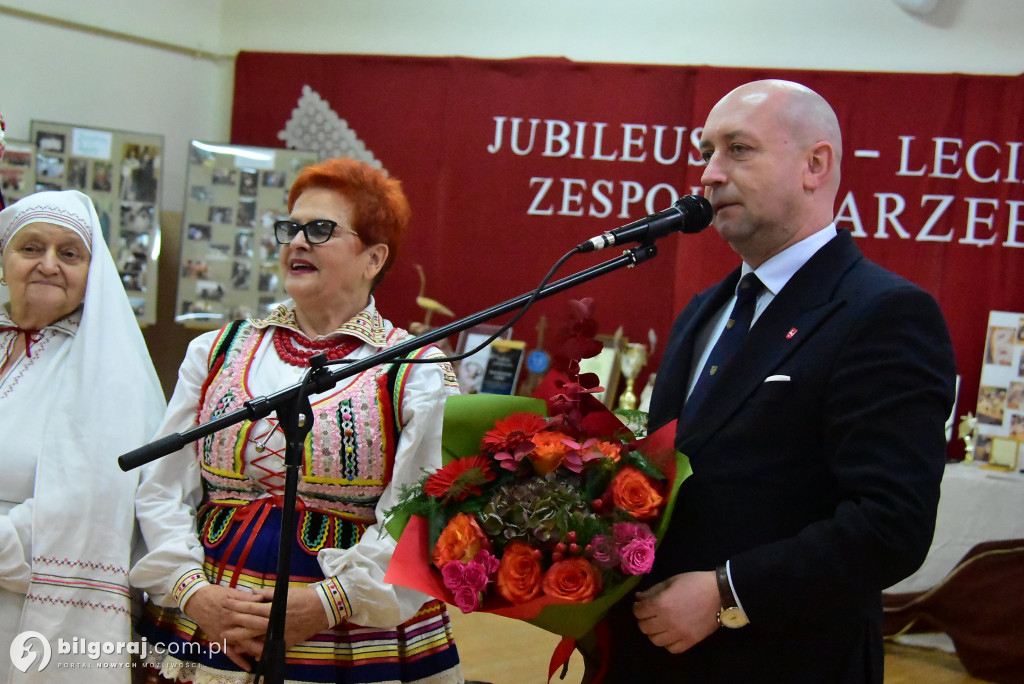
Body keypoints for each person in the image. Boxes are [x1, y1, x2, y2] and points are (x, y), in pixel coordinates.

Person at [600, 80, 958, 683]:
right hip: (654, 653)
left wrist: (727, 592)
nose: (709, 174)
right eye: (707, 150)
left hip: (784, 660)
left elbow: (891, 524)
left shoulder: (884, 314)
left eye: (738, 149)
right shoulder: (705, 311)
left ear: (815, 165)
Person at [131, 158, 464, 683]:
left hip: (344, 633)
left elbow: (417, 514)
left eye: (321, 229)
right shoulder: (216, 350)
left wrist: (329, 603)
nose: (298, 242)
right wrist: (192, 591)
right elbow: (162, 486)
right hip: (208, 616)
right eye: (291, 228)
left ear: (373, 257)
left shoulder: (415, 368)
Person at [0, 190, 166, 680]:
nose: (49, 264)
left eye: (69, 254)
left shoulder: (109, 373)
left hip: (20, 613)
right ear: (4, 258)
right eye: (30, 248)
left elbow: (92, 505)